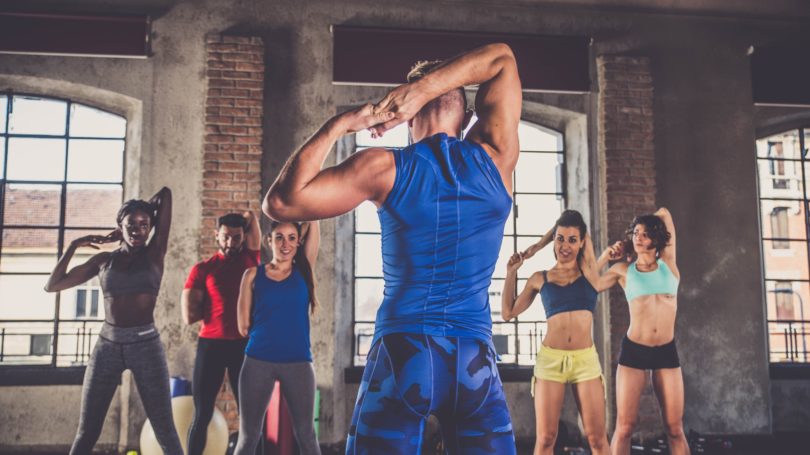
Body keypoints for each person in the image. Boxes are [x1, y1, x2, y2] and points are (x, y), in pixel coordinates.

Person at [263, 43, 522, 454]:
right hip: (473, 361)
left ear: (406, 117)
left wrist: (341, 125)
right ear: (469, 117)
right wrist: (424, 90)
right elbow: (502, 59)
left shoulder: (384, 167)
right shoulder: (495, 158)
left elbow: (281, 203)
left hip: (405, 354)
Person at [45, 187, 182, 455]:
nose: (138, 230)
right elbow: (53, 285)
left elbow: (165, 194)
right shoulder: (103, 261)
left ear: (151, 227)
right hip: (107, 347)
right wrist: (75, 244)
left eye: (144, 225)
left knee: (164, 429)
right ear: (120, 227)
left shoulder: (156, 252)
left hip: (146, 347)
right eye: (131, 225)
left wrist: (143, 208)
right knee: (87, 432)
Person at [502, 210, 612, 455]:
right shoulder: (540, 278)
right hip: (550, 361)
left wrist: (538, 245)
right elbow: (508, 313)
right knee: (546, 438)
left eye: (572, 240)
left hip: (585, 361)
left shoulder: (590, 273)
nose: (565, 245)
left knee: (597, 439)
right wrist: (512, 272)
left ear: (582, 242)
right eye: (560, 238)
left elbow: (577, 220)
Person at [599, 208, 690, 455]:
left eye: (645, 234)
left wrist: (644, 224)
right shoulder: (623, 270)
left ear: (657, 238)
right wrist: (606, 256)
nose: (638, 237)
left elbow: (665, 213)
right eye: (635, 233)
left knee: (674, 428)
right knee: (625, 426)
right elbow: (591, 285)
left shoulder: (668, 264)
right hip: (634, 352)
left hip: (666, 352)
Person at [233, 221, 320, 455]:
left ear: (299, 242)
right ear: (268, 240)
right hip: (257, 362)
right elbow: (242, 326)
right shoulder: (251, 275)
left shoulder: (305, 271)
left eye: (292, 238)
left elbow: (314, 221)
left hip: (298, 362)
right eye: (279, 237)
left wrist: (306, 210)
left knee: (306, 435)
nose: (285, 244)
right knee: (249, 436)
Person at [183, 211, 261, 455]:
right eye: (226, 237)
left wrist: (247, 216)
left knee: (250, 415)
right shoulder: (202, 269)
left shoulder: (251, 259)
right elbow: (188, 317)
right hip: (211, 346)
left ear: (243, 237)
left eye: (237, 238)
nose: (231, 243)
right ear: (217, 235)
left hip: (243, 346)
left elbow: (253, 221)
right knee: (202, 412)